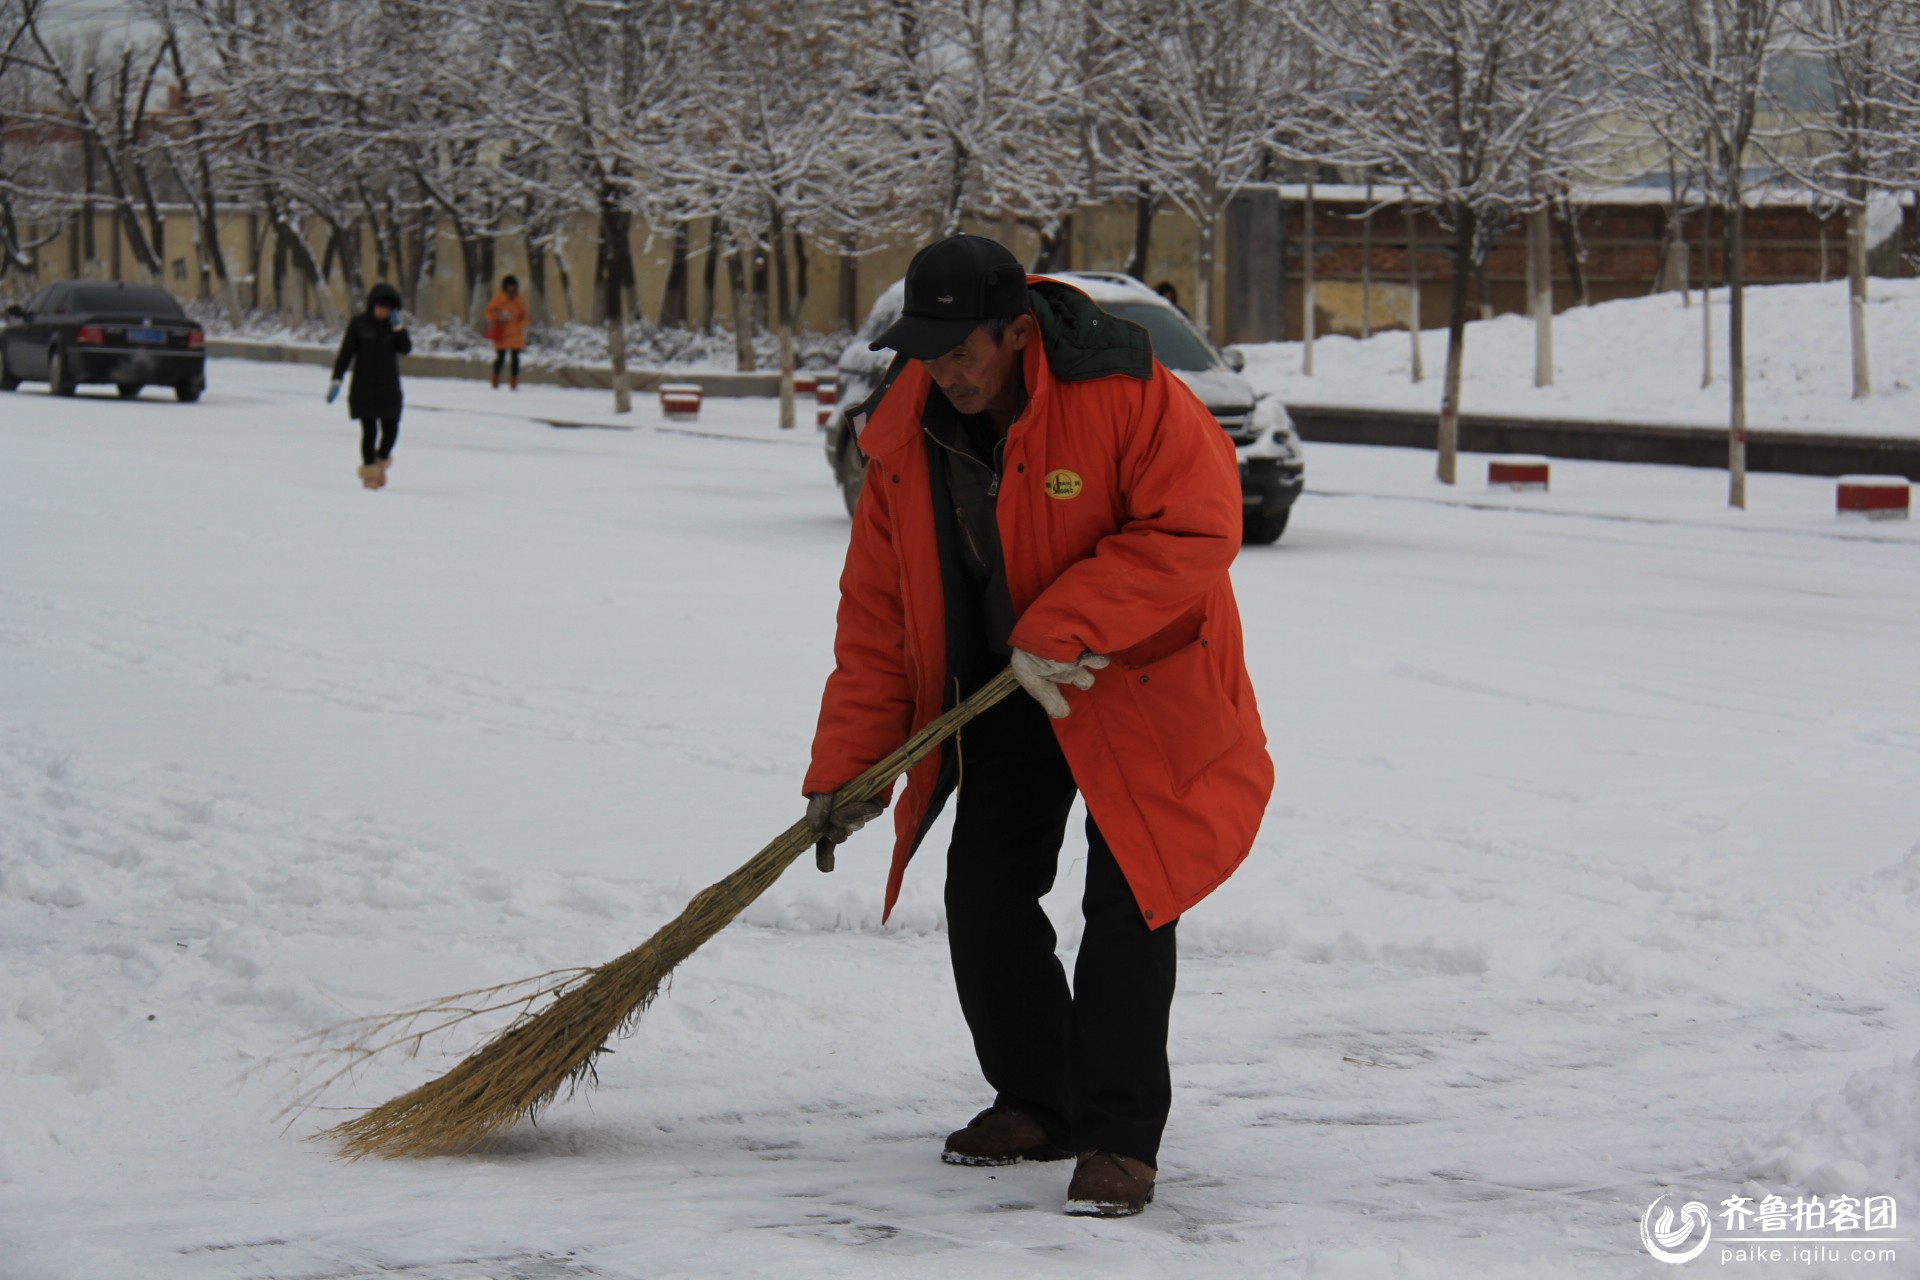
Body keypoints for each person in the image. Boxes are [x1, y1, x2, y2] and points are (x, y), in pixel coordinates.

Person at [802, 235, 1272, 1218]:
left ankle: (1116, 1137)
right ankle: (1037, 1096)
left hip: (1136, 680)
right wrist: (850, 766)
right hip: (1010, 689)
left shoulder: (1123, 392)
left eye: (962, 350)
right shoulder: (905, 436)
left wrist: (1066, 623)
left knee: (1129, 901)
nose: (944, 371)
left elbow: (1196, 522)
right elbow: (880, 616)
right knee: (982, 890)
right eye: (926, 351)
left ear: (1019, 332)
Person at [328, 283, 411, 490]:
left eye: (389, 308)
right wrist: (337, 379)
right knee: (369, 430)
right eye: (381, 306)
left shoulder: (394, 327)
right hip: (364, 387)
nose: (384, 311)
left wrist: (399, 328)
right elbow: (345, 353)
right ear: (373, 305)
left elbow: (406, 349)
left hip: (389, 387)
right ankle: (369, 473)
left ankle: (380, 461)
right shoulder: (359, 324)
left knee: (391, 429)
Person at [484, 275, 530, 390]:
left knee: (516, 358)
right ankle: (495, 378)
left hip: (516, 333)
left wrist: (520, 325)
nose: (511, 289)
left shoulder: (519, 299)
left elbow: (524, 315)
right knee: (501, 357)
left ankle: (514, 381)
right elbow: (489, 312)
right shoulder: (499, 298)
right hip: (502, 332)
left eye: (513, 286)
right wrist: (499, 316)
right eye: (509, 286)